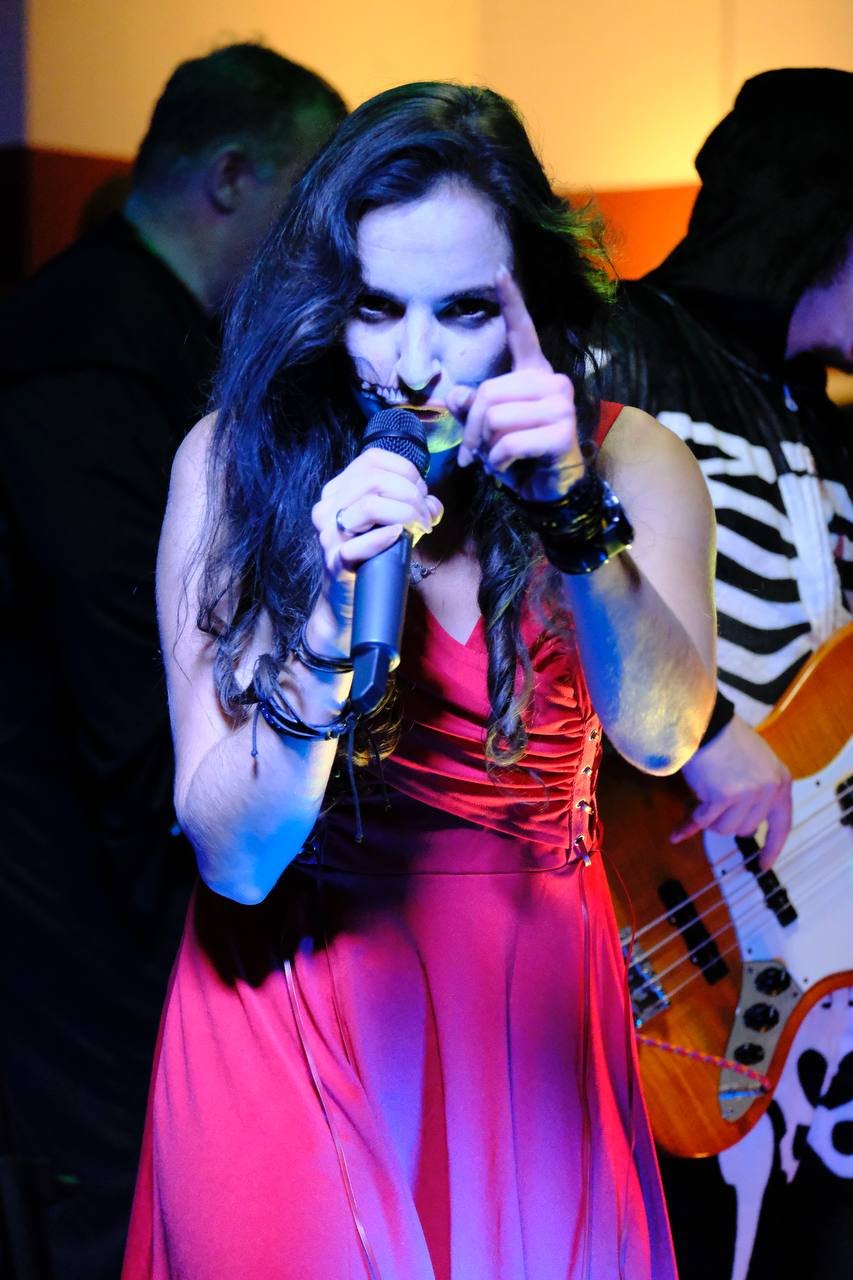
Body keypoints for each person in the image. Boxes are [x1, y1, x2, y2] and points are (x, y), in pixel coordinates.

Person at [123, 81, 717, 1279]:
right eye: (376, 307)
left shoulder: (632, 458)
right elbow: (236, 855)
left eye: (464, 310)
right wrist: (330, 613)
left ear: (533, 303)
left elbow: (661, 733)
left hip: (530, 1013)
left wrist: (571, 514)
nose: (412, 363)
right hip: (291, 1000)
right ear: (322, 300)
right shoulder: (235, 464)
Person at [0, 43, 345, 1280]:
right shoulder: (84, 352)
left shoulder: (117, 332)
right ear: (233, 176)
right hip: (82, 891)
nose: (322, 250)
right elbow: (123, 681)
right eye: (305, 200)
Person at [599, 68, 853, 1280]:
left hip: (809, 927)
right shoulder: (615, 348)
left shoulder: (823, 410)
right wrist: (701, 734)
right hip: (653, 883)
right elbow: (527, 589)